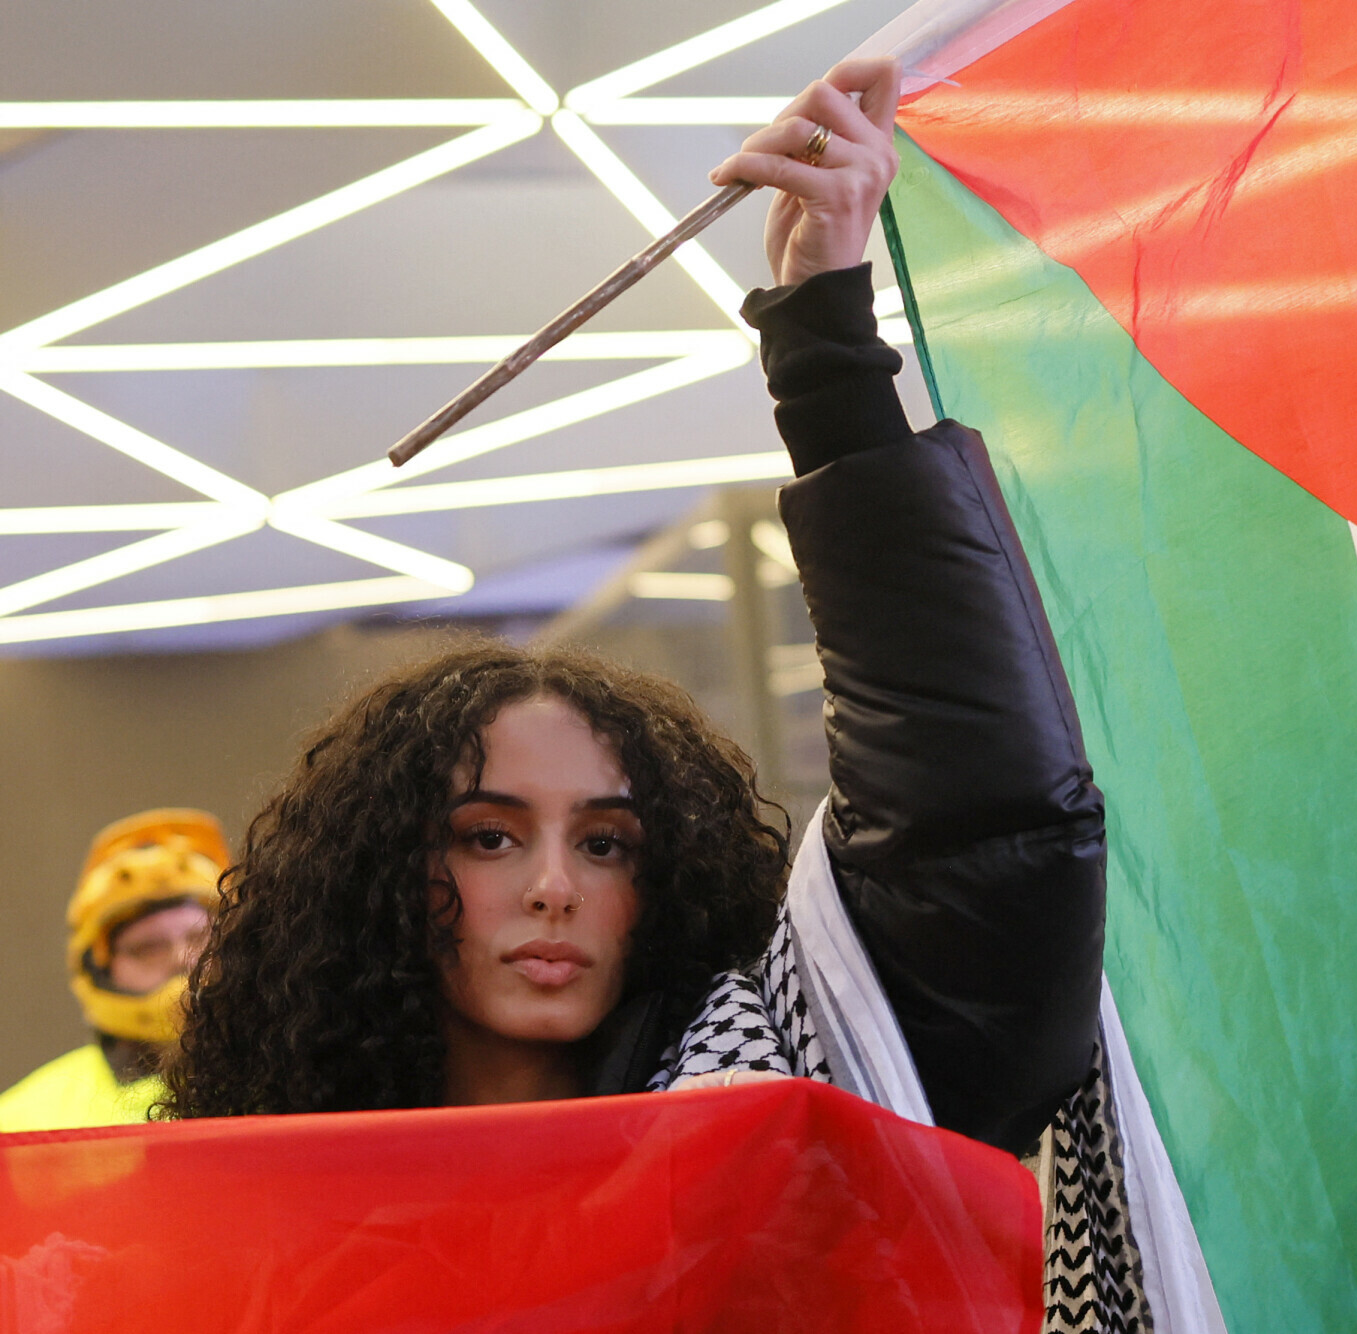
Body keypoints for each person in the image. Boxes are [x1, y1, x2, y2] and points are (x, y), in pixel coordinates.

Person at [167, 60, 1151, 1332]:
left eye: (607, 838)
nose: (553, 885)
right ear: (373, 878)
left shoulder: (791, 1110)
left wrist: (826, 360)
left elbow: (984, 832)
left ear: (663, 878)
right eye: (488, 833)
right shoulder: (254, 1244)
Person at [0, 809, 222, 1133]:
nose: (182, 960)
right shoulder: (20, 1123)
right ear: (98, 969)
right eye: (147, 948)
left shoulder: (290, 1080)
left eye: (200, 937)